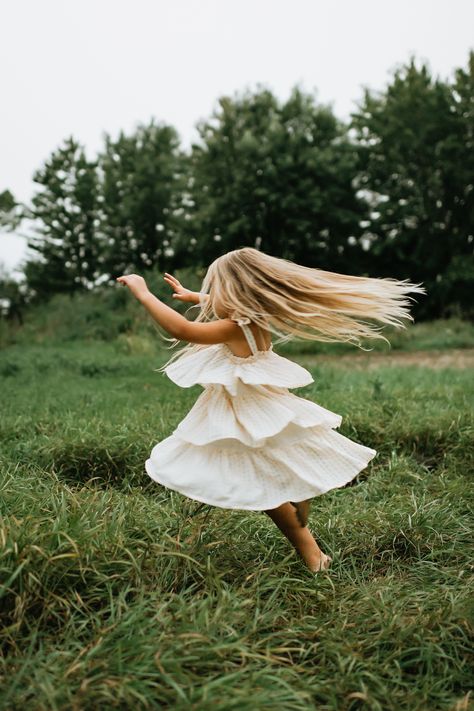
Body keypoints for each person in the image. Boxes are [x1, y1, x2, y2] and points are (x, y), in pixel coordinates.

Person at [116, 247, 425, 573]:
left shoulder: (233, 327)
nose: (212, 298)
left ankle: (311, 544)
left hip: (245, 415)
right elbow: (221, 307)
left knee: (260, 483)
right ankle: (304, 515)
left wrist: (144, 293)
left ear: (236, 295)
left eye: (216, 290)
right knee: (266, 480)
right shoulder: (254, 318)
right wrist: (196, 297)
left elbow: (183, 330)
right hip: (263, 407)